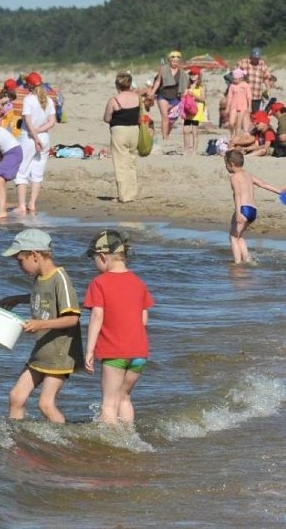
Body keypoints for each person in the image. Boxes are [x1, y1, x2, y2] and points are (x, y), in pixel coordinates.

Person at [0, 229, 83, 423]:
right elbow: (42, 298)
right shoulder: (40, 279)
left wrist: (39, 324)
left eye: (20, 260)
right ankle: (16, 437)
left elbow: (72, 318)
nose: (19, 266)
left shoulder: (60, 278)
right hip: (42, 350)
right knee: (16, 397)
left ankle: (63, 443)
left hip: (60, 354)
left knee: (46, 404)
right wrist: (18, 299)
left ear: (34, 255)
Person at [83, 229, 154, 425]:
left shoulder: (99, 283)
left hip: (115, 352)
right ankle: (128, 436)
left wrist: (89, 350)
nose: (94, 264)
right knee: (124, 398)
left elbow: (97, 315)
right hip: (139, 353)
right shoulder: (139, 283)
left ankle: (113, 447)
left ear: (103, 257)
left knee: (109, 403)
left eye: (94, 258)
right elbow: (144, 319)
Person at [223, 150, 285, 264]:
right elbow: (264, 184)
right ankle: (247, 260)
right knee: (239, 236)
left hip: (243, 209)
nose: (226, 167)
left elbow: (237, 194)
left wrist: (238, 213)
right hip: (253, 210)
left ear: (231, 164)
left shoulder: (234, 177)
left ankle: (237, 263)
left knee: (233, 237)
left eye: (225, 164)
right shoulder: (248, 175)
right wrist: (280, 191)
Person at [15, 72, 56, 213]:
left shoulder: (29, 99)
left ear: (29, 86)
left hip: (29, 138)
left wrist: (35, 137)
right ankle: (32, 204)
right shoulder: (49, 100)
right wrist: (39, 132)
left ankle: (21, 206)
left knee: (21, 171)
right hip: (44, 138)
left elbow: (28, 122)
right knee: (37, 174)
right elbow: (52, 122)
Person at [103, 71, 142, 203]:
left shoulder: (114, 100)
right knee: (131, 163)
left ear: (117, 85)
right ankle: (132, 193)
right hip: (134, 130)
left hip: (119, 131)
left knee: (121, 164)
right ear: (130, 84)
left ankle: (124, 196)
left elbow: (107, 118)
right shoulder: (137, 97)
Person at [147, 50, 189, 141]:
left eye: (177, 60)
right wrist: (153, 92)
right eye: (173, 60)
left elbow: (185, 85)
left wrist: (185, 97)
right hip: (163, 95)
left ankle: (167, 133)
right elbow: (158, 81)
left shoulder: (182, 72)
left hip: (175, 96)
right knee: (165, 116)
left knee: (172, 119)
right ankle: (164, 137)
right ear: (169, 60)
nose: (175, 62)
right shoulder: (163, 69)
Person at [234, 47, 276, 113]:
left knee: (255, 114)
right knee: (244, 113)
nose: (256, 59)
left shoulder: (262, 64)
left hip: (257, 95)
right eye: (255, 58)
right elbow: (236, 74)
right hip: (244, 94)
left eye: (258, 58)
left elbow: (266, 78)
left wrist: (268, 89)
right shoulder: (243, 62)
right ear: (251, 56)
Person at [182, 66, 206, 155]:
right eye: (191, 74)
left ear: (198, 75)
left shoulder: (201, 87)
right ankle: (186, 150)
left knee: (194, 130)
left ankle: (194, 151)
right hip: (188, 109)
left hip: (197, 110)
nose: (193, 76)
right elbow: (183, 97)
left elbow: (203, 99)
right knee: (185, 130)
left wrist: (194, 96)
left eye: (195, 74)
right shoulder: (187, 86)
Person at [226, 68, 252, 139]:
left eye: (235, 79)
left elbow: (249, 96)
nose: (234, 80)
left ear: (241, 78)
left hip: (243, 106)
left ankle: (237, 137)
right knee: (231, 122)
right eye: (233, 79)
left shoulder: (246, 85)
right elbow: (229, 97)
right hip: (233, 106)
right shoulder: (232, 86)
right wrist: (227, 107)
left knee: (239, 123)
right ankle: (232, 133)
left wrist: (250, 107)